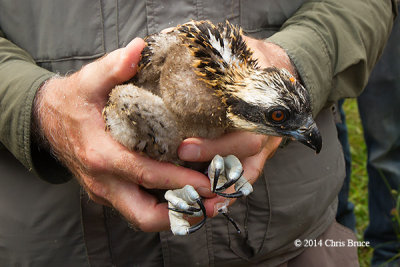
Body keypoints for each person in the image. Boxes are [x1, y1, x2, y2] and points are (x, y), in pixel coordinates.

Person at [0, 1, 396, 266]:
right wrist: (34, 106)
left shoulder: (229, 86)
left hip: (293, 248)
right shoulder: (148, 102)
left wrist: (300, 57)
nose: (301, 130)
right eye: (278, 117)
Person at [336, 6, 400, 266]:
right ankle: (336, 245)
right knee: (325, 133)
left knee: (387, 143)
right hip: (306, 9)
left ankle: (389, 251)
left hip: (385, 10)